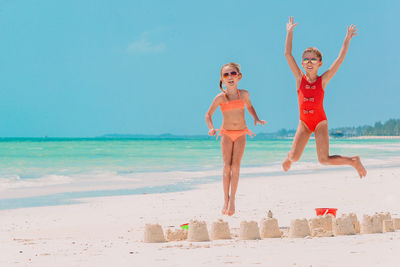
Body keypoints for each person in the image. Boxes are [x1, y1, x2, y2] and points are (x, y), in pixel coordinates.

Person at [282, 17, 367, 178]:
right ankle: (288, 157)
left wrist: (347, 39)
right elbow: (287, 54)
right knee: (294, 157)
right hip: (304, 123)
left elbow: (340, 59)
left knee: (323, 159)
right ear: (301, 63)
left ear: (320, 63)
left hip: (320, 122)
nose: (309, 62)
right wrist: (289, 32)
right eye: (306, 59)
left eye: (313, 59)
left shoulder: (323, 80)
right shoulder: (299, 79)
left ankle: (353, 161)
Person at [205, 62, 266, 216]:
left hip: (240, 133)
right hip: (226, 133)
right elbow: (208, 115)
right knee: (227, 167)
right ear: (222, 79)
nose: (230, 77)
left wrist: (256, 118)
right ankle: (225, 199)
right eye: (226, 75)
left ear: (239, 76)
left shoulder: (244, 94)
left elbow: (250, 106)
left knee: (236, 167)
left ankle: (233, 201)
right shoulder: (220, 98)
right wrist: (211, 128)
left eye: (233, 73)